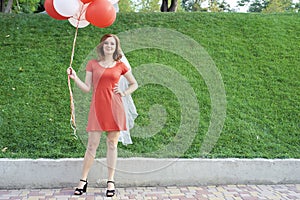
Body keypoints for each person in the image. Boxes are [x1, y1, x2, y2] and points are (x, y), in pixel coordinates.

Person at [67, 34, 138, 197]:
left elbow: (134, 83)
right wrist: (74, 77)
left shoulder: (120, 65)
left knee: (112, 144)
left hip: (115, 108)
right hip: (98, 109)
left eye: (112, 43)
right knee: (92, 145)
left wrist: (124, 92)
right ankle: (83, 181)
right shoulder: (92, 64)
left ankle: (111, 181)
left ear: (116, 47)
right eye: (106, 43)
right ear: (102, 46)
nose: (109, 46)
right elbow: (86, 88)